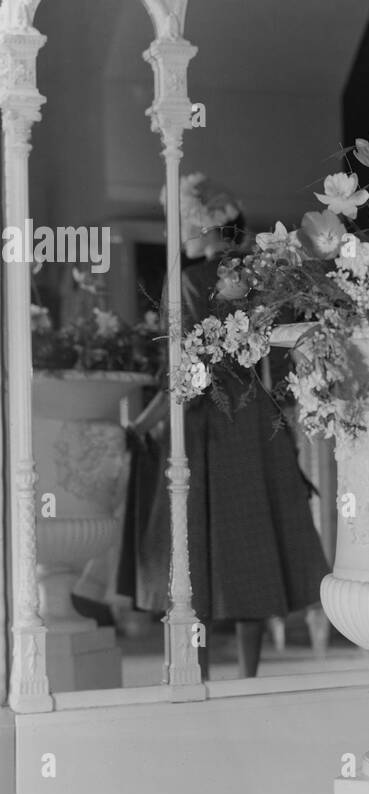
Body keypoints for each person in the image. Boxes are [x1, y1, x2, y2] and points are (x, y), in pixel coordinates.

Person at [120, 174, 330, 679]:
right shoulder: (264, 278)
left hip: (207, 429)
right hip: (258, 425)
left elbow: (188, 373)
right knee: (252, 546)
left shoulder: (190, 282)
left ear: (200, 226)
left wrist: (146, 423)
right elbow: (279, 363)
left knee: (202, 551)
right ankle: (250, 672)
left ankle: (202, 670)